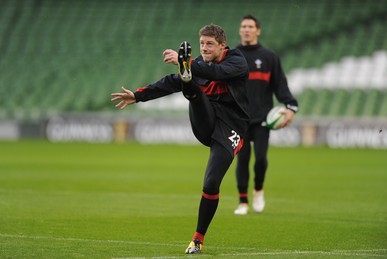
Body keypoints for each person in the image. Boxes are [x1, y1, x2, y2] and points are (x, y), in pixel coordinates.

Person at [111, 24, 249, 254]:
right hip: (205, 120)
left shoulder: (237, 61)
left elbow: (217, 73)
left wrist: (187, 62)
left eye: (210, 44)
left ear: (222, 45)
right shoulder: (200, 65)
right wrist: (137, 95)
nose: (204, 48)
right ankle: (188, 81)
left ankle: (197, 239)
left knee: (211, 183)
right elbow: (168, 83)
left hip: (231, 127)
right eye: (202, 43)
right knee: (188, 86)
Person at [233, 15, 299, 215]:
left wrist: (290, 106)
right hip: (239, 118)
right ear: (240, 30)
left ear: (258, 31)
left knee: (261, 158)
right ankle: (243, 202)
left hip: (262, 118)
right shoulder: (232, 55)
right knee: (242, 159)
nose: (246, 29)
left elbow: (280, 85)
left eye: (250, 26)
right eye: (243, 26)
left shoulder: (269, 57)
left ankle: (258, 189)